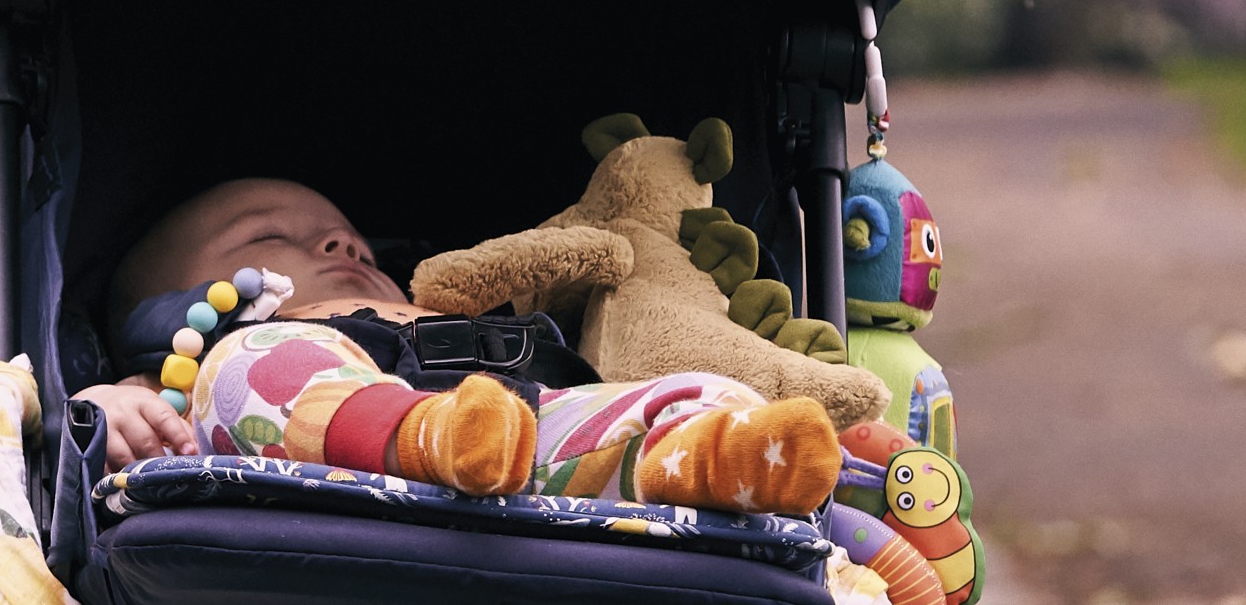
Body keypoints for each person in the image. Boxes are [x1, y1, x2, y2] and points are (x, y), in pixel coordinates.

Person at [70, 175, 839, 516]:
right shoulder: (198, 360)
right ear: (173, 316)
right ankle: (418, 434)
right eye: (270, 236)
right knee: (251, 369)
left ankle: (724, 457)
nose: (342, 239)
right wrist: (107, 405)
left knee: (700, 391)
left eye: (358, 243)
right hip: (312, 443)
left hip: (522, 440)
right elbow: (108, 421)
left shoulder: (447, 313)